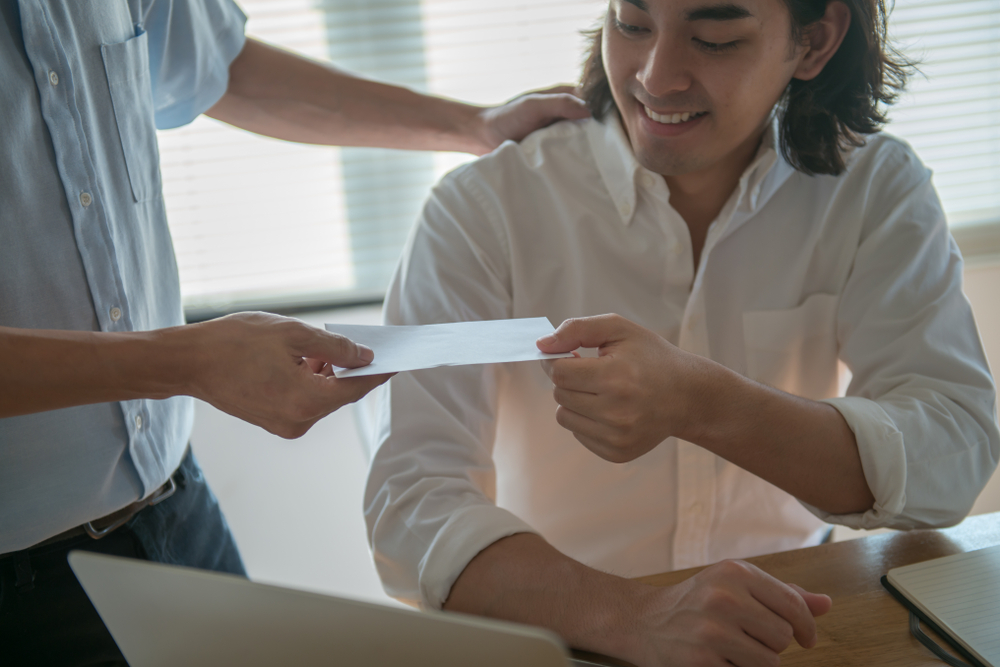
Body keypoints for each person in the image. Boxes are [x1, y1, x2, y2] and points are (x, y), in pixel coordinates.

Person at [363, 0, 999, 664]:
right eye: (631, 24)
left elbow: (950, 454)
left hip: (796, 623)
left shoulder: (874, 187)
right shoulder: (483, 207)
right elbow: (412, 506)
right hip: (556, 625)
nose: (656, 78)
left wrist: (703, 402)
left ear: (814, 41)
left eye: (715, 39)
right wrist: (633, 614)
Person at [0, 0, 588, 664]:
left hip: (174, 506)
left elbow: (220, 67)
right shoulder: (472, 225)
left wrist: (475, 125)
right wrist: (184, 361)